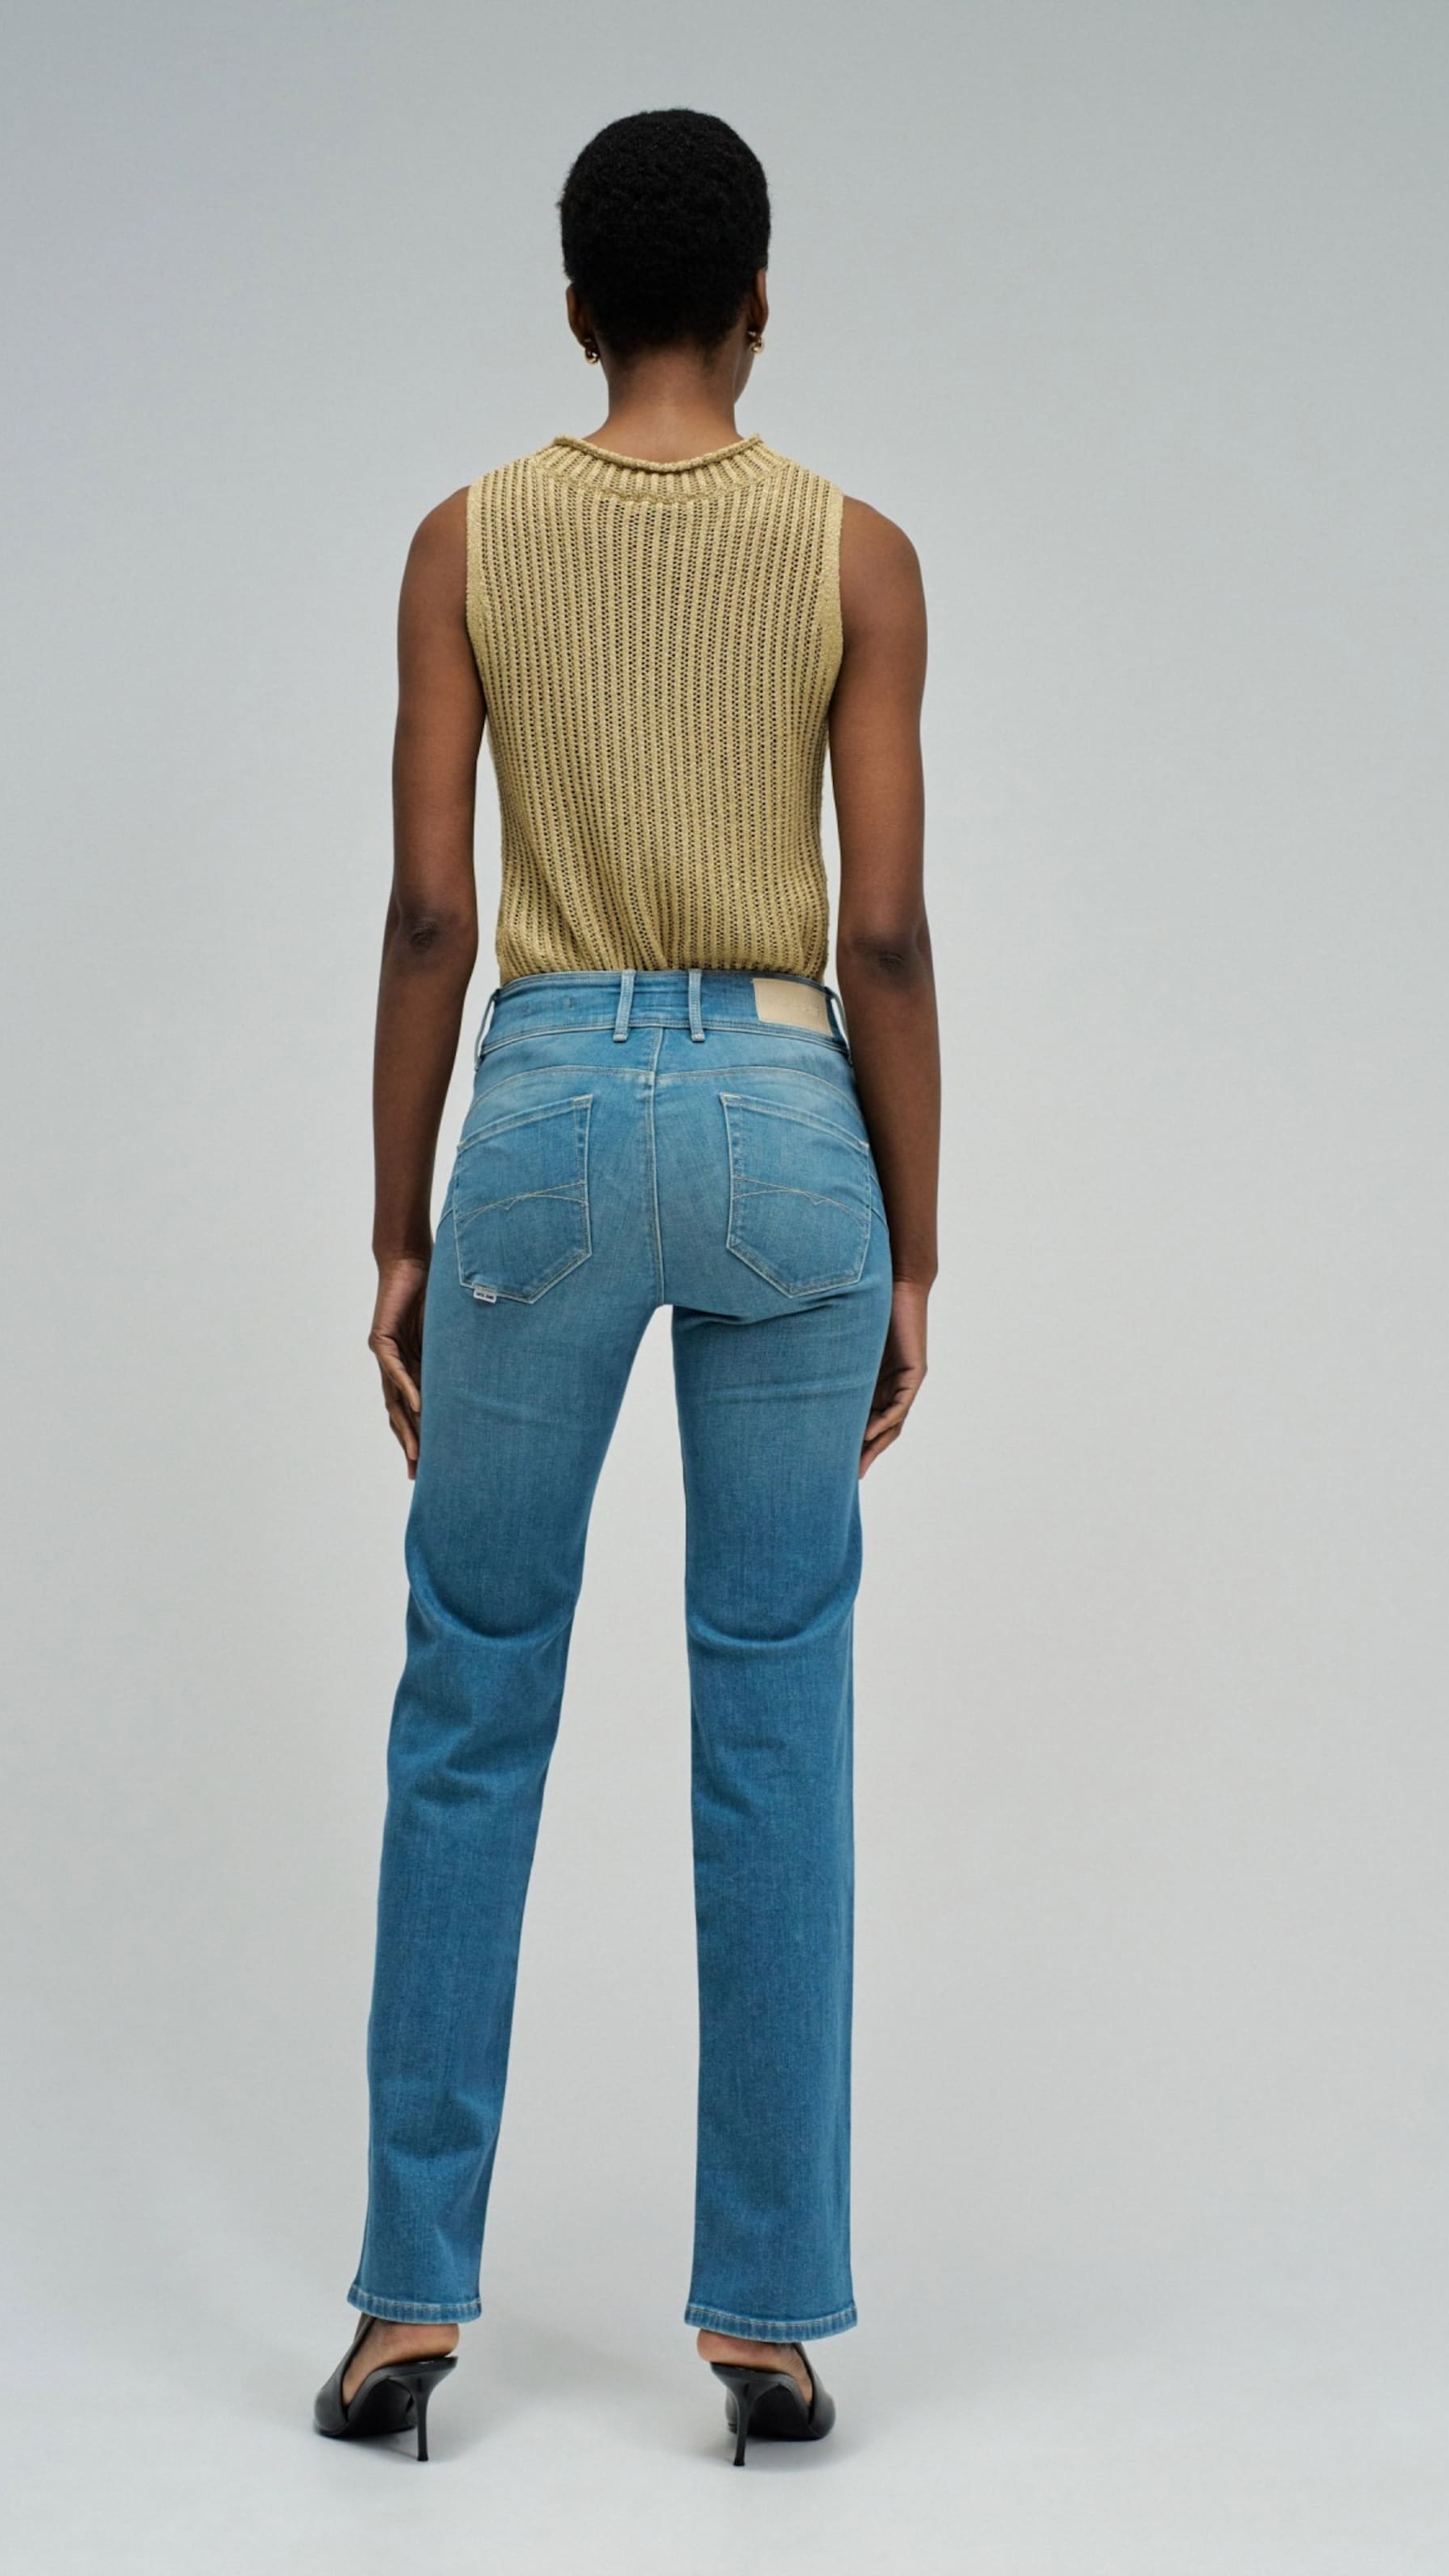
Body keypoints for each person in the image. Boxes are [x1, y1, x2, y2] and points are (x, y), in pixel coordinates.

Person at [314, 105, 936, 2466]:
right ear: (758, 305)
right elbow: (885, 930)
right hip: (789, 1127)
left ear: (576, 308)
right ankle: (767, 2323)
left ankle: (405, 2307)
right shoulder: (854, 553)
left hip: (546, 1122)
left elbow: (427, 915)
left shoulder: (466, 539)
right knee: (774, 1705)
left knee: (472, 1691)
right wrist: (916, 1244)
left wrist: (398, 1221)